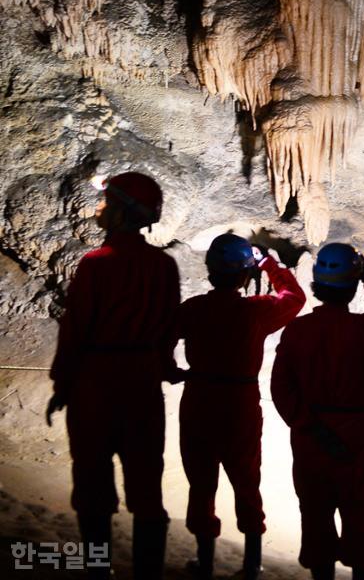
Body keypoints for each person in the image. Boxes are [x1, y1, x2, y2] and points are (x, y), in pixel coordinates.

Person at [47, 171, 180, 579]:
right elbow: (168, 327)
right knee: (146, 485)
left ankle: (98, 570)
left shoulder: (96, 264)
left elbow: (76, 329)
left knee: (92, 485)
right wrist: (166, 367)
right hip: (142, 382)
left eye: (108, 202)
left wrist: (62, 383)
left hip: (97, 380)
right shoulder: (164, 266)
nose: (99, 207)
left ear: (123, 213)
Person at [178, 233, 305, 580]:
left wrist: (168, 369)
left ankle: (204, 562)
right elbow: (295, 297)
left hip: (200, 400)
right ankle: (252, 563)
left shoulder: (194, 309)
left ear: (209, 271)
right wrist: (269, 263)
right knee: (246, 480)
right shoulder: (255, 311)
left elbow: (160, 333)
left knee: (201, 482)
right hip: (239, 404)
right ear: (245, 276)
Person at [270, 242, 364, 580]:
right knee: (358, 511)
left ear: (315, 284)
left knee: (315, 513)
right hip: (354, 433)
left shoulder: (297, 331)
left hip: (310, 436)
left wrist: (308, 426)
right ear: (353, 285)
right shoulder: (362, 330)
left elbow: (281, 389)